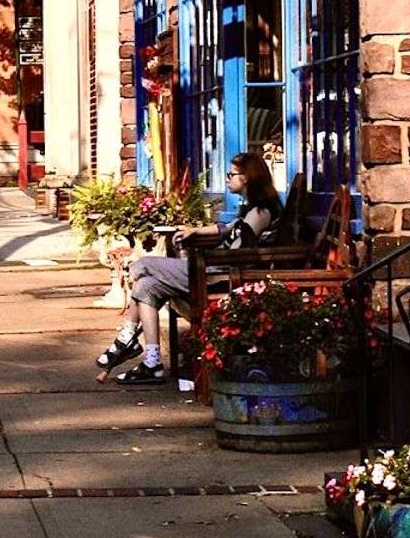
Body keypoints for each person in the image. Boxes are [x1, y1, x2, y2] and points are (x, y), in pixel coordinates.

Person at [97, 152, 283, 385]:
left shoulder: (261, 211)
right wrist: (195, 232)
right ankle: (152, 361)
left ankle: (127, 336)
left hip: (221, 275)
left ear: (246, 177)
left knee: (141, 265)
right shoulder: (250, 208)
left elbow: (239, 252)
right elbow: (227, 228)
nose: (227, 178)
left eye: (231, 174)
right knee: (147, 285)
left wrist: (206, 256)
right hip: (214, 268)